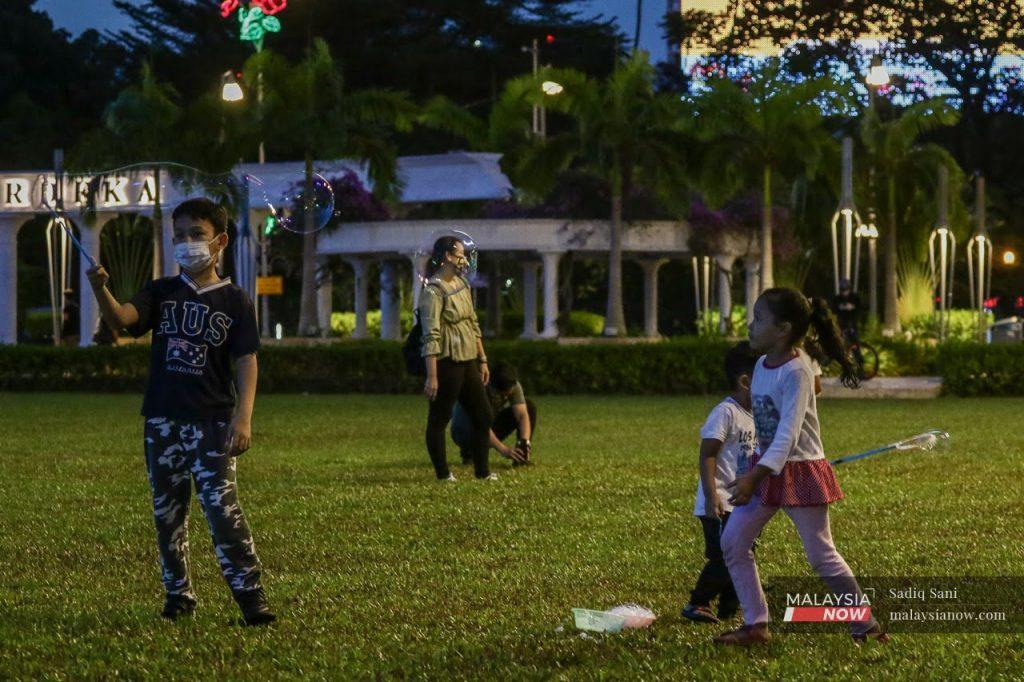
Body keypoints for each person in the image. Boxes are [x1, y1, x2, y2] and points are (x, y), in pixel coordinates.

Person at [85, 198, 274, 626]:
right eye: (179, 237)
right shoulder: (161, 292)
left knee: (223, 511)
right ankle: (178, 594)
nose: (187, 244)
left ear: (220, 241)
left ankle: (250, 596)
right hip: (162, 420)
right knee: (168, 513)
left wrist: (243, 418)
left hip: (213, 422)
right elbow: (123, 320)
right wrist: (100, 288)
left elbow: (247, 361)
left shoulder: (236, 301)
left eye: (197, 235)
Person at [715, 287, 888, 645]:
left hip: (799, 471)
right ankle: (756, 625)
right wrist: (754, 468)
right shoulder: (762, 365)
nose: (750, 325)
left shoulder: (798, 372)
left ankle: (865, 625)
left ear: (783, 329)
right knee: (733, 542)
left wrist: (753, 475)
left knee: (821, 555)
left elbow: (787, 437)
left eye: (758, 318)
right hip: (765, 470)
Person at [680, 342, 757, 624]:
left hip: (745, 503)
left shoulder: (758, 415)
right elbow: (707, 454)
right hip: (720, 502)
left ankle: (729, 606)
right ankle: (698, 602)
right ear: (746, 381)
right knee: (726, 557)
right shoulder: (726, 412)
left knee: (742, 554)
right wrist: (713, 496)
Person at [420, 236, 496, 481]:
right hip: (447, 361)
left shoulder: (463, 285)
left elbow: (473, 324)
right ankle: (443, 474)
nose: (464, 259)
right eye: (460, 254)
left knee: (483, 414)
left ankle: (482, 472)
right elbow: (430, 334)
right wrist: (432, 376)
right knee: (439, 418)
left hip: (468, 360)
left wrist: (482, 358)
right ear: (447, 257)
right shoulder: (433, 291)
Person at [451, 361, 535, 467]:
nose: (505, 397)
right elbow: (482, 424)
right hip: (466, 430)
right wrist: (504, 450)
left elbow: (522, 415)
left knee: (529, 407)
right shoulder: (478, 388)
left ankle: (521, 456)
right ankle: (470, 454)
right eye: (502, 395)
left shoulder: (513, 384)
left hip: (488, 423)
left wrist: (525, 441)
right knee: (482, 419)